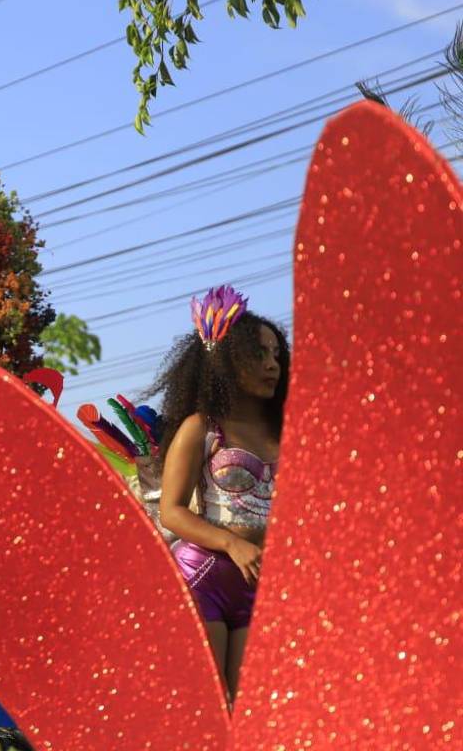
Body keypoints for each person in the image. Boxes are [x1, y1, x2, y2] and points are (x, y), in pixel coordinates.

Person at [153, 284, 288, 702]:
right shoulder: (202, 428)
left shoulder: (290, 431)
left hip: (260, 584)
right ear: (228, 360)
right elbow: (172, 511)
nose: (272, 365)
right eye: (258, 354)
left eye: (276, 354)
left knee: (252, 706)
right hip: (202, 578)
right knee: (207, 705)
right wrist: (232, 544)